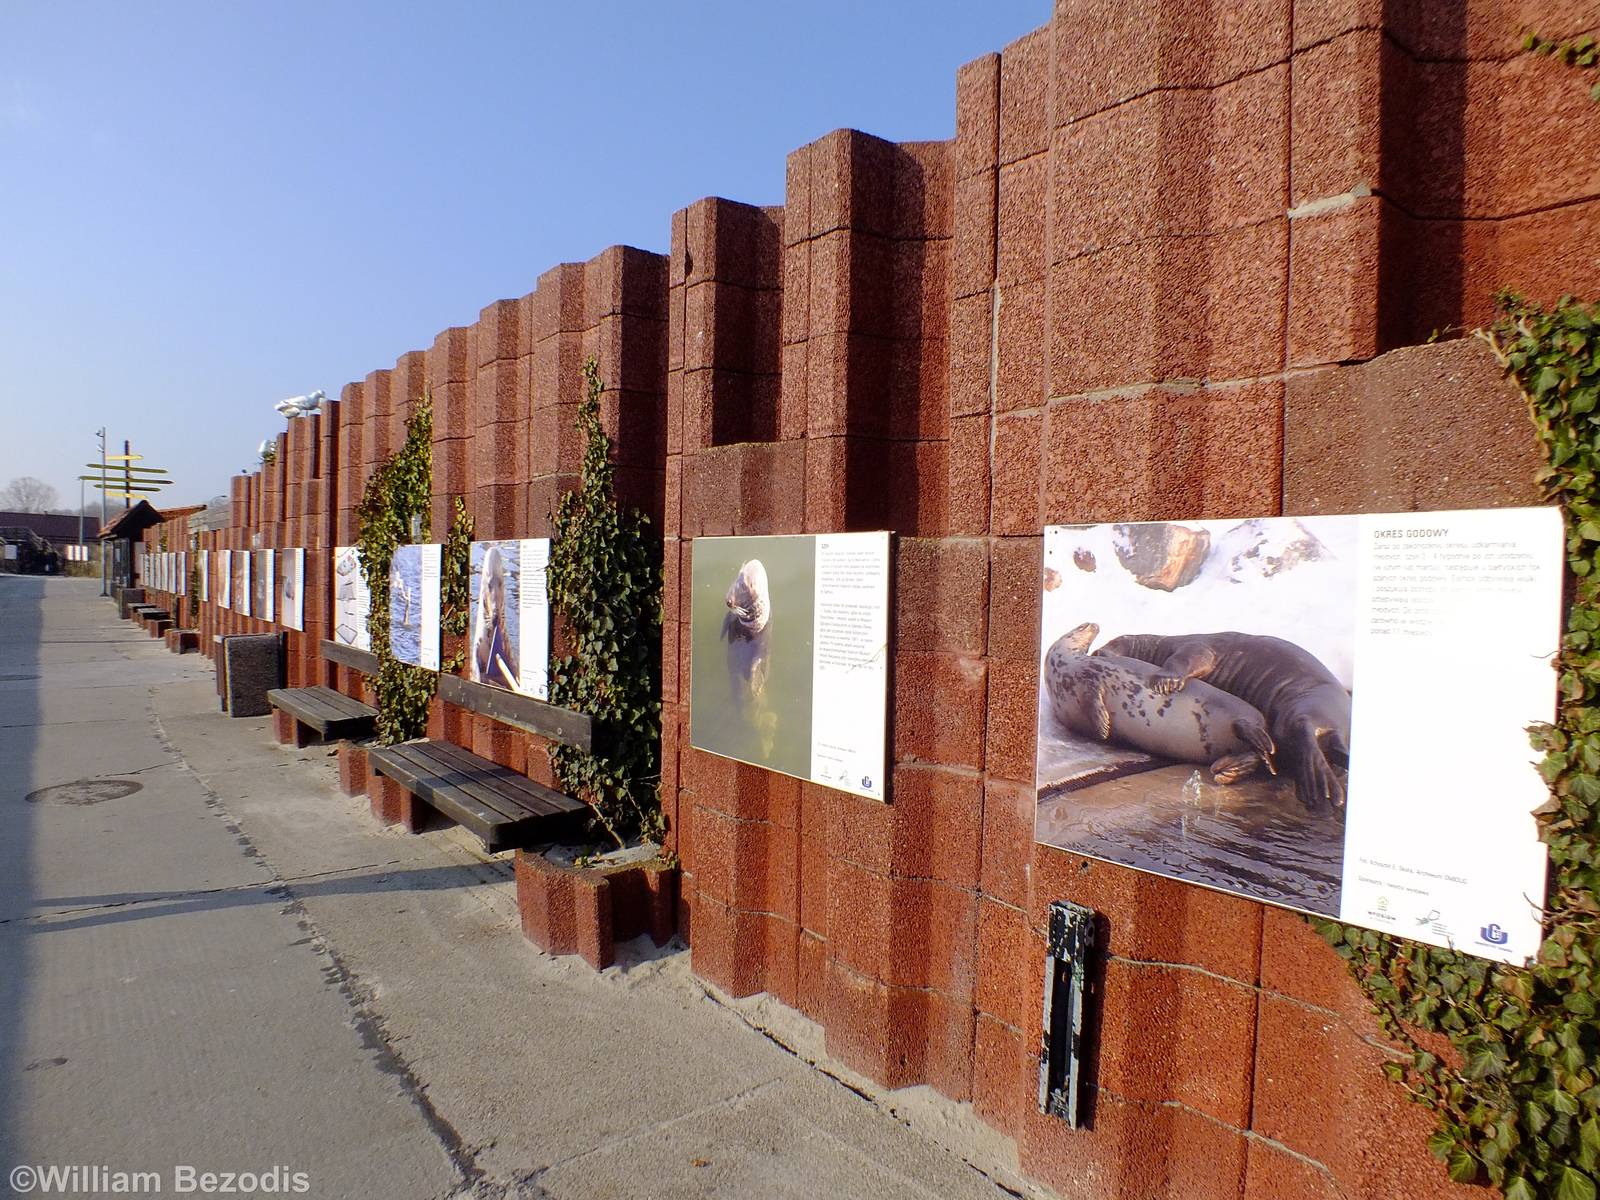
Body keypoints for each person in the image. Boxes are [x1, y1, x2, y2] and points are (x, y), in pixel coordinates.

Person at [472, 545, 521, 691]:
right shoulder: (480, 647)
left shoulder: (505, 640)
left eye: (500, 584)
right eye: (491, 586)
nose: (495, 595)